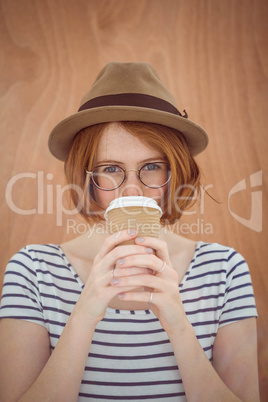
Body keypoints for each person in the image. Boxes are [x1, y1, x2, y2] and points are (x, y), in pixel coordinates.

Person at [0, 62, 259, 401]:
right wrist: (85, 312)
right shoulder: (33, 270)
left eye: (151, 166)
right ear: (87, 180)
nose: (133, 191)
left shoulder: (224, 270)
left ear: (175, 173)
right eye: (111, 169)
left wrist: (178, 325)